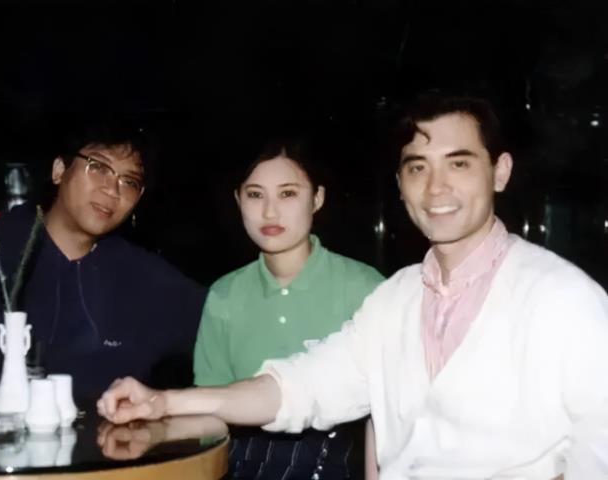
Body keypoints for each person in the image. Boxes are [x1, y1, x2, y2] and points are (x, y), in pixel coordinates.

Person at [98, 94, 608, 479]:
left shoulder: (563, 300)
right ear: (401, 184)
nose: (436, 188)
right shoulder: (395, 301)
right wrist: (163, 403)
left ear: (500, 172)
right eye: (418, 167)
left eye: (458, 163)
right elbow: (298, 387)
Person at [0, 119, 206, 403]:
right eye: (98, 167)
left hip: (101, 439)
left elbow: (221, 326)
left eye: (129, 181)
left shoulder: (146, 279)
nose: (112, 190)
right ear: (59, 170)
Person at [193, 137, 385, 478]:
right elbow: (211, 418)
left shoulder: (365, 287)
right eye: (255, 195)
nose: (270, 212)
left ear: (317, 199)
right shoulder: (224, 294)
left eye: (288, 194)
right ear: (238, 200)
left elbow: (387, 414)